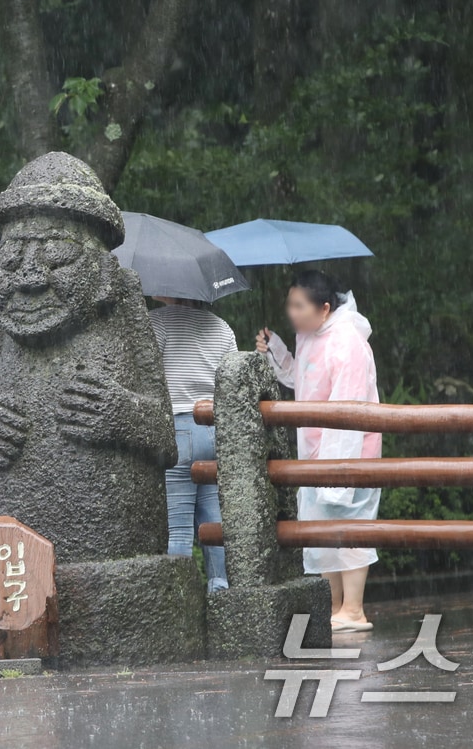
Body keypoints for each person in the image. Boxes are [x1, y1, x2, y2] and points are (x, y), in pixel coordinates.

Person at [256, 270, 381, 633]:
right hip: (315, 449)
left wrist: (336, 468)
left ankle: (354, 609)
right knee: (324, 528)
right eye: (290, 304)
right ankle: (336, 606)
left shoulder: (348, 342)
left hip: (350, 448)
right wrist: (276, 348)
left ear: (324, 308)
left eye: (299, 306)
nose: (292, 312)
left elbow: (349, 406)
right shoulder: (309, 335)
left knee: (350, 525)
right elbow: (302, 379)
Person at [149, 297, 237, 593]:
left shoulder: (156, 322)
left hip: (178, 428)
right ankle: (221, 592)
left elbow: (147, 376)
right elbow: (233, 381)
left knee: (179, 527)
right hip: (214, 428)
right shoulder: (221, 327)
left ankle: (180, 598)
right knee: (215, 521)